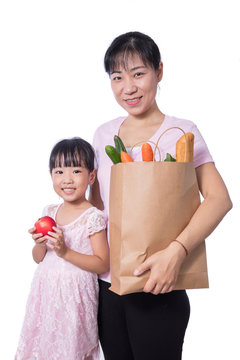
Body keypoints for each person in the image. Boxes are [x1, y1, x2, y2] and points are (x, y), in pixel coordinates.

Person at [89, 31, 232, 360]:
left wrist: (177, 252)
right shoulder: (102, 134)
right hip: (106, 287)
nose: (129, 87)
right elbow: (95, 208)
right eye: (117, 77)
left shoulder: (183, 132)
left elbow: (219, 199)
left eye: (139, 73)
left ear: (159, 72)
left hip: (160, 284)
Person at [15, 137, 109, 360]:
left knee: (71, 348)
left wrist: (66, 252)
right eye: (59, 172)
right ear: (51, 176)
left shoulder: (92, 217)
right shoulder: (50, 212)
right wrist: (39, 244)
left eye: (76, 171)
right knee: (44, 343)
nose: (67, 179)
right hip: (46, 294)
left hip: (74, 300)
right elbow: (39, 258)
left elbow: (102, 263)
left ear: (91, 176)